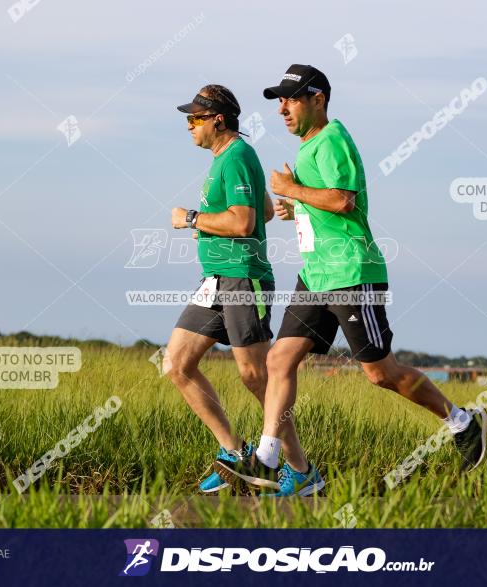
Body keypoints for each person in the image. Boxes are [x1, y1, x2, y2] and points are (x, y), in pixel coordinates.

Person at [214, 65, 487, 496]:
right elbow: (327, 204)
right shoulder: (309, 147)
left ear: (318, 99)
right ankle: (267, 458)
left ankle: (462, 422)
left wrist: (291, 189)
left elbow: (344, 200)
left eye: (291, 99)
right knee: (278, 361)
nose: (282, 109)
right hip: (316, 275)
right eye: (278, 101)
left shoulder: (333, 139)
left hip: (351, 274)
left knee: (380, 374)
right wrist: (297, 209)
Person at [166, 84, 298, 493]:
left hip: (244, 279)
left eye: (196, 119)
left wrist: (192, 219)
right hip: (216, 280)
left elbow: (243, 222)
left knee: (256, 376)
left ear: (217, 120)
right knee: (176, 365)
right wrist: (210, 231)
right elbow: (262, 213)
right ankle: (234, 451)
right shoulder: (228, 159)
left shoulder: (237, 155)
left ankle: (301, 468)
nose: (190, 126)